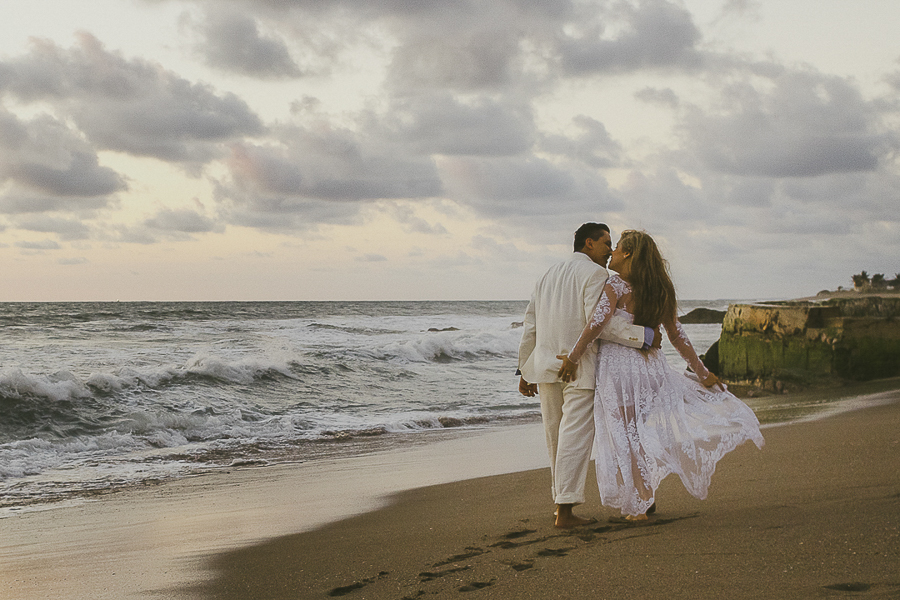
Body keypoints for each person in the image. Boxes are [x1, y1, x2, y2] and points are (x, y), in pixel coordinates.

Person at [558, 230, 764, 521]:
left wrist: (572, 357)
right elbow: (678, 336)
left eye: (616, 248)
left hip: (620, 369)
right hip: (651, 369)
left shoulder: (616, 285)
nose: (612, 253)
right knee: (634, 434)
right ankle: (645, 495)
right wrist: (703, 373)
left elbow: (595, 324)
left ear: (628, 254)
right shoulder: (660, 289)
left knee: (625, 436)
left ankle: (640, 502)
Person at [517, 223, 659, 528]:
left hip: (544, 366)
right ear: (588, 243)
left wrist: (524, 368)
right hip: (576, 366)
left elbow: (531, 324)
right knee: (575, 438)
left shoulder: (547, 274)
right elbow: (600, 325)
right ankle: (565, 511)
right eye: (606, 243)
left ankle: (561, 507)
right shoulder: (595, 275)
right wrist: (644, 335)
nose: (610, 250)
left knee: (554, 437)